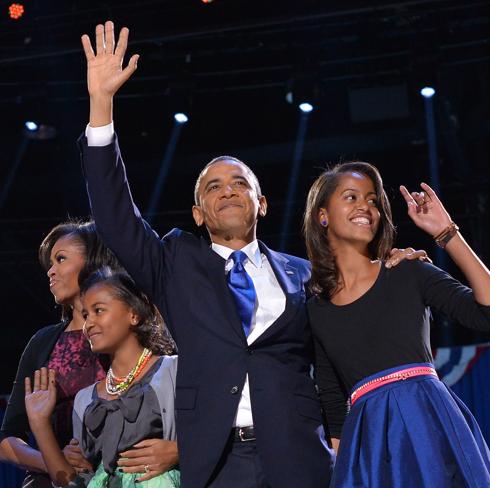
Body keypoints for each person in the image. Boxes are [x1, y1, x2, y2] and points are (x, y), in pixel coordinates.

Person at [77, 21, 426, 488]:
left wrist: (391, 267)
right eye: (214, 187)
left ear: (261, 204)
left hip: (300, 455)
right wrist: (102, 105)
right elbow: (115, 214)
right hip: (216, 461)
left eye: (240, 183)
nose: (228, 192)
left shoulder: (306, 274)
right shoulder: (174, 262)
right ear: (199, 213)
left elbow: (346, 334)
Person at [303, 161, 490, 487]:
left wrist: (447, 233)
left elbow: (485, 313)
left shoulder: (409, 271)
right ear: (322, 216)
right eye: (351, 197)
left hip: (430, 423)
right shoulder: (316, 310)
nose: (365, 206)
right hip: (371, 443)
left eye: (373, 199)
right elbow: (333, 403)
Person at [25, 267, 180, 487]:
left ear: (133, 314)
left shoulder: (173, 371)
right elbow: (73, 483)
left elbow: (220, 434)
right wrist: (40, 424)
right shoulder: (84, 400)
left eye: (99, 310)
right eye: (86, 315)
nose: (89, 324)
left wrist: (180, 451)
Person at [0, 221, 120, 487]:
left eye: (60, 259)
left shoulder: (132, 332)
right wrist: (53, 460)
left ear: (92, 260)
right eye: (49, 265)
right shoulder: (42, 343)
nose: (50, 272)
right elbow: (7, 439)